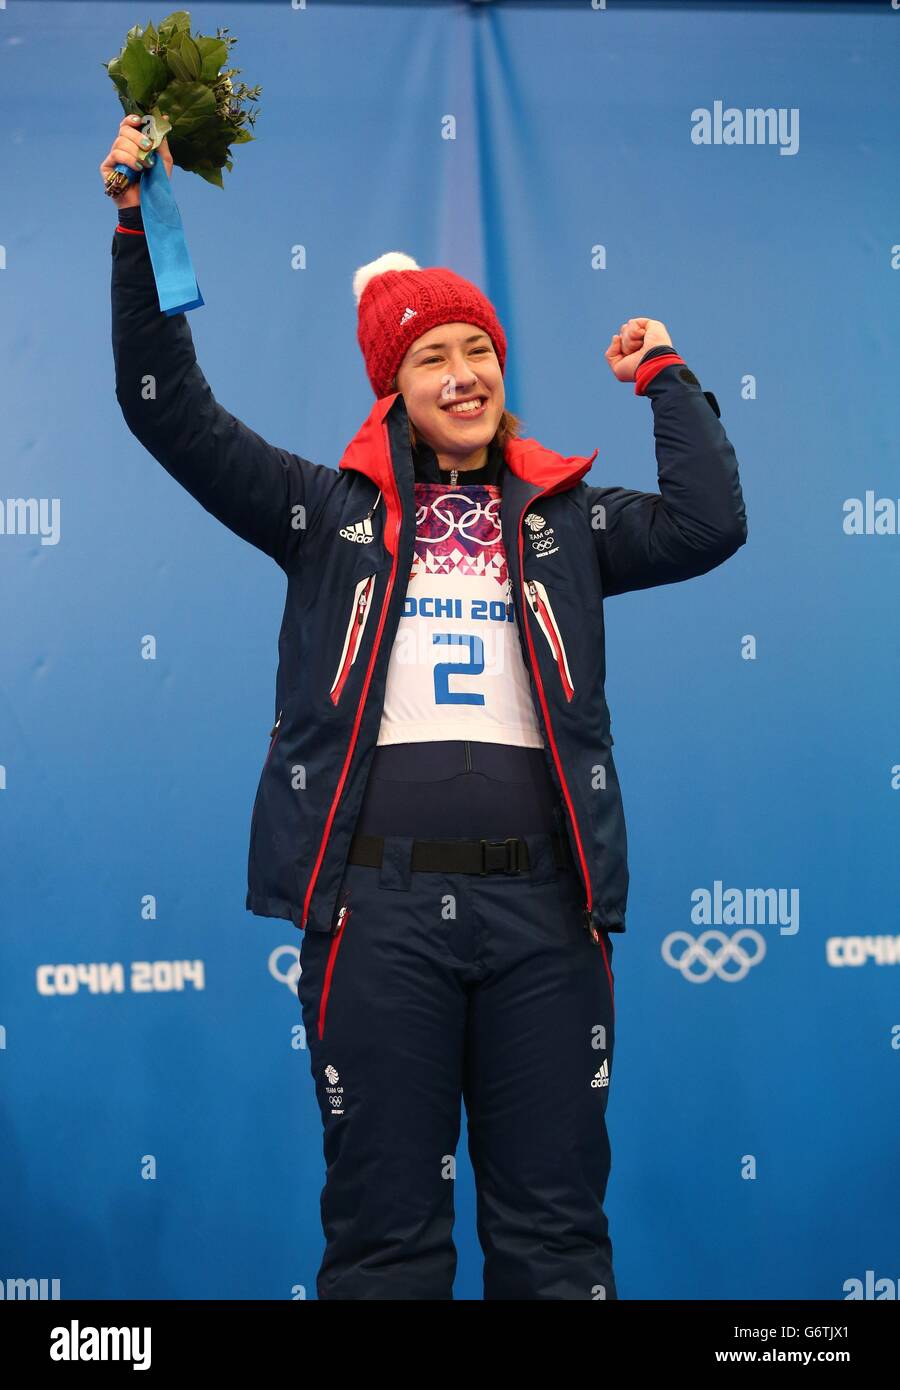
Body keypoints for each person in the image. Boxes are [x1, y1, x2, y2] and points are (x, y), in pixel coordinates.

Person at [103, 115, 748, 1300]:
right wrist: (139, 234)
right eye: (432, 358)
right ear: (393, 391)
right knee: (386, 1252)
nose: (464, 375)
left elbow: (710, 523)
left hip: (546, 916)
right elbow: (166, 412)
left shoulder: (566, 520)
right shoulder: (321, 511)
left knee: (556, 1248)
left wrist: (666, 374)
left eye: (479, 350)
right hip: (378, 914)